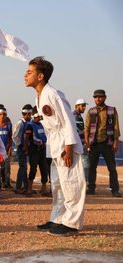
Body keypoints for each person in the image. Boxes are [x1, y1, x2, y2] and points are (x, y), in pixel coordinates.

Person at [25, 56, 86, 236]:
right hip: (54, 144)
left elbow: (68, 121)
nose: (25, 75)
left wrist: (69, 147)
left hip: (65, 143)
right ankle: (58, 218)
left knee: (71, 182)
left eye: (30, 72)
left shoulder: (53, 94)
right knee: (58, 184)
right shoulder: (40, 96)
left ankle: (72, 223)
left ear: (41, 76)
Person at [84, 90, 121, 197]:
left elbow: (116, 127)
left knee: (112, 168)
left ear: (105, 98)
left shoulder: (112, 110)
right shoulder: (91, 111)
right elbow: (86, 128)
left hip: (107, 143)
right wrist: (87, 143)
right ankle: (91, 188)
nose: (97, 99)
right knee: (92, 167)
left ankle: (115, 190)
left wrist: (115, 143)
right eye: (95, 97)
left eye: (100, 97)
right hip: (94, 143)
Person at [23, 109, 49, 197]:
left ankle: (44, 189)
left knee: (44, 168)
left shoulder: (42, 124)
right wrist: (26, 149)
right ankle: (29, 189)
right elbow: (26, 137)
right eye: (37, 116)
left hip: (42, 149)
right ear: (34, 116)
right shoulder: (30, 125)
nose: (39, 118)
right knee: (33, 169)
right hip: (34, 149)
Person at [12, 104, 33, 194]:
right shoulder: (20, 123)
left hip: (26, 147)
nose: (30, 116)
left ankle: (26, 186)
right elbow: (14, 136)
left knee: (24, 167)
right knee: (22, 167)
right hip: (21, 148)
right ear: (26, 114)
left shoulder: (28, 123)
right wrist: (20, 145)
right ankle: (18, 187)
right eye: (29, 114)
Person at [73, 99, 90, 184]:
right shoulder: (76, 116)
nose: (84, 107)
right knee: (86, 162)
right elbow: (80, 130)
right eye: (82, 105)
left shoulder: (76, 115)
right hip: (80, 143)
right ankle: (85, 182)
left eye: (84, 105)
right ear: (77, 106)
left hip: (77, 143)